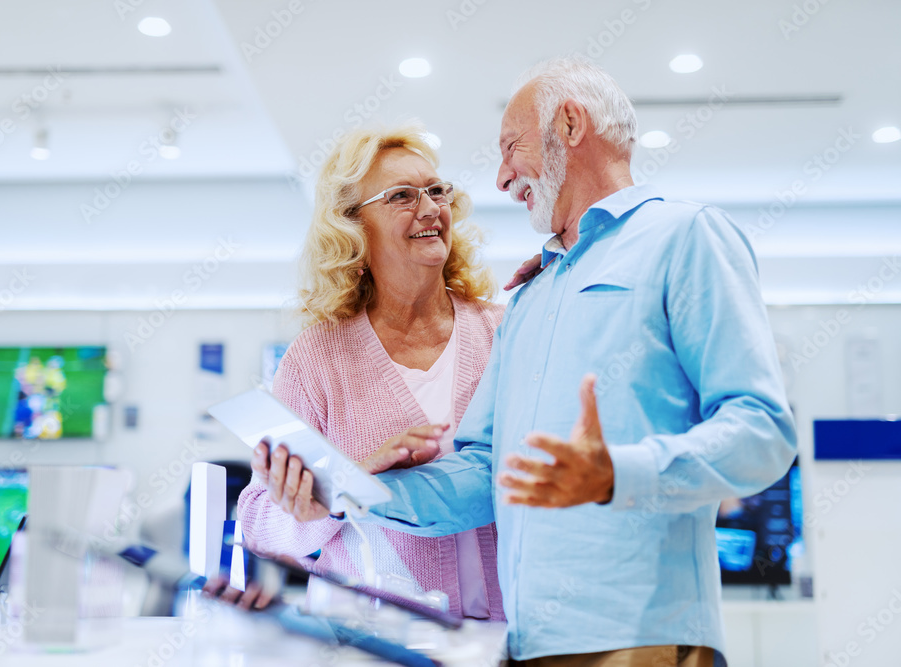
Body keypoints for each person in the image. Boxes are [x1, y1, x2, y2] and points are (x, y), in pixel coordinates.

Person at [253, 58, 797, 666]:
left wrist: (618, 473)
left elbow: (763, 432)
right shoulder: (532, 295)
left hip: (636, 634)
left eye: (511, 147)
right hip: (523, 645)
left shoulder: (683, 236)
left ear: (569, 124)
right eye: (403, 195)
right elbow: (486, 473)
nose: (501, 176)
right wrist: (355, 489)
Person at [220, 123, 536, 620]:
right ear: (353, 227)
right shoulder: (318, 358)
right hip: (371, 639)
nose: (431, 208)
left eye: (437, 191)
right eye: (402, 196)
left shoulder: (505, 332)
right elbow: (259, 522)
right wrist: (336, 491)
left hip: (504, 632)